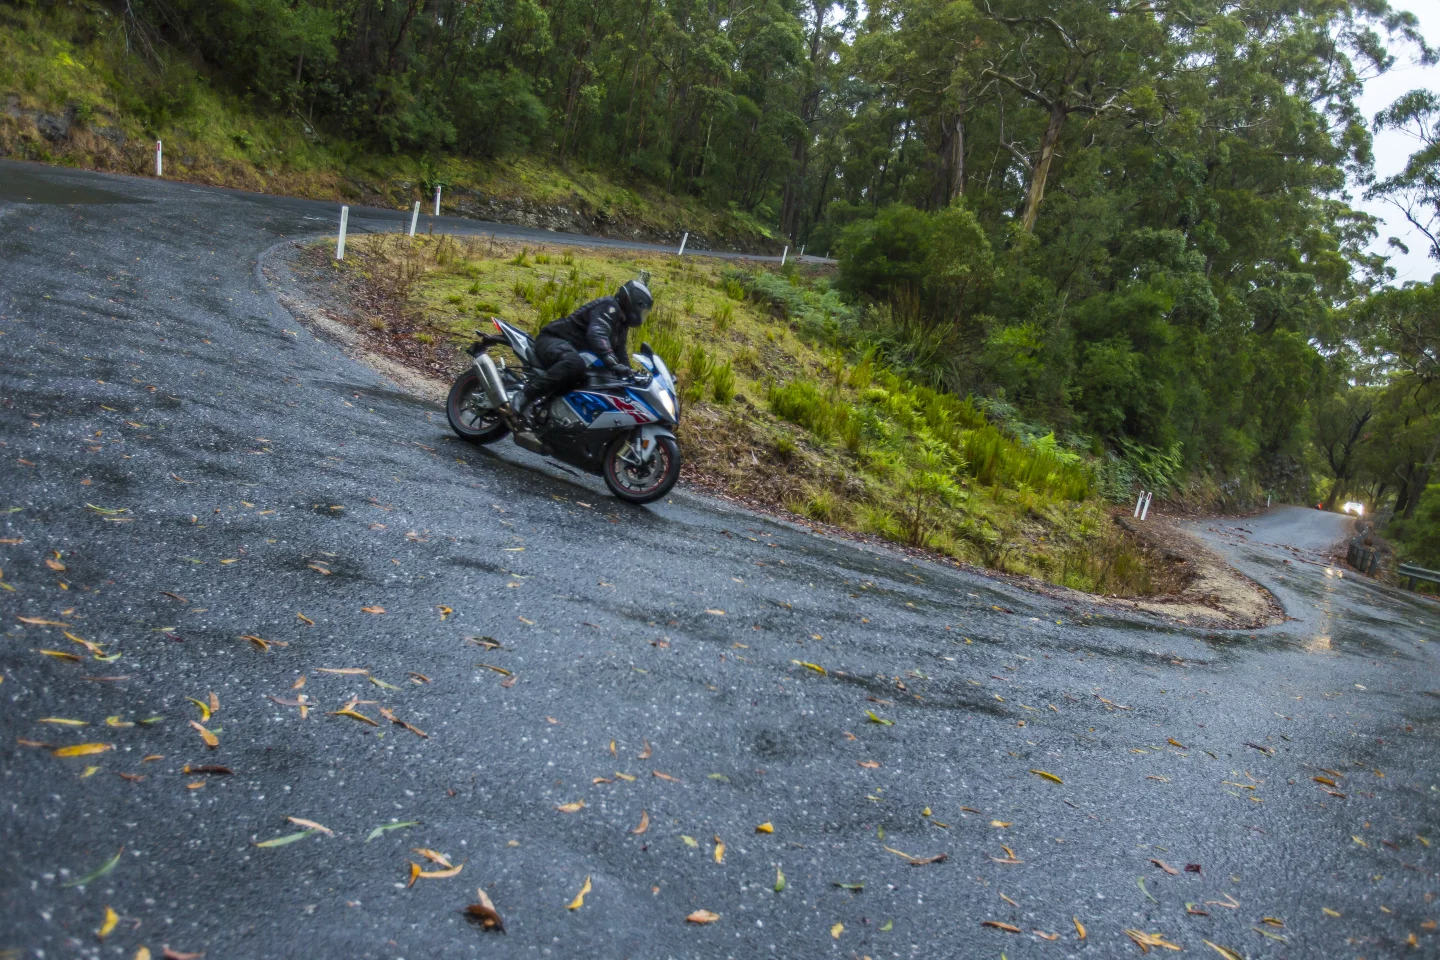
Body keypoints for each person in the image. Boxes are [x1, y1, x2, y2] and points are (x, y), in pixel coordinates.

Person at [512, 278, 653, 425]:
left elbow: (620, 351)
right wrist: (610, 359)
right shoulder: (609, 306)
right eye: (642, 310)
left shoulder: (622, 324)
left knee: (601, 377)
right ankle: (525, 394)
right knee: (574, 363)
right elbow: (597, 333)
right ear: (634, 303)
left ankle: (555, 413)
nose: (642, 315)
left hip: (570, 349)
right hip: (554, 339)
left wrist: (629, 374)